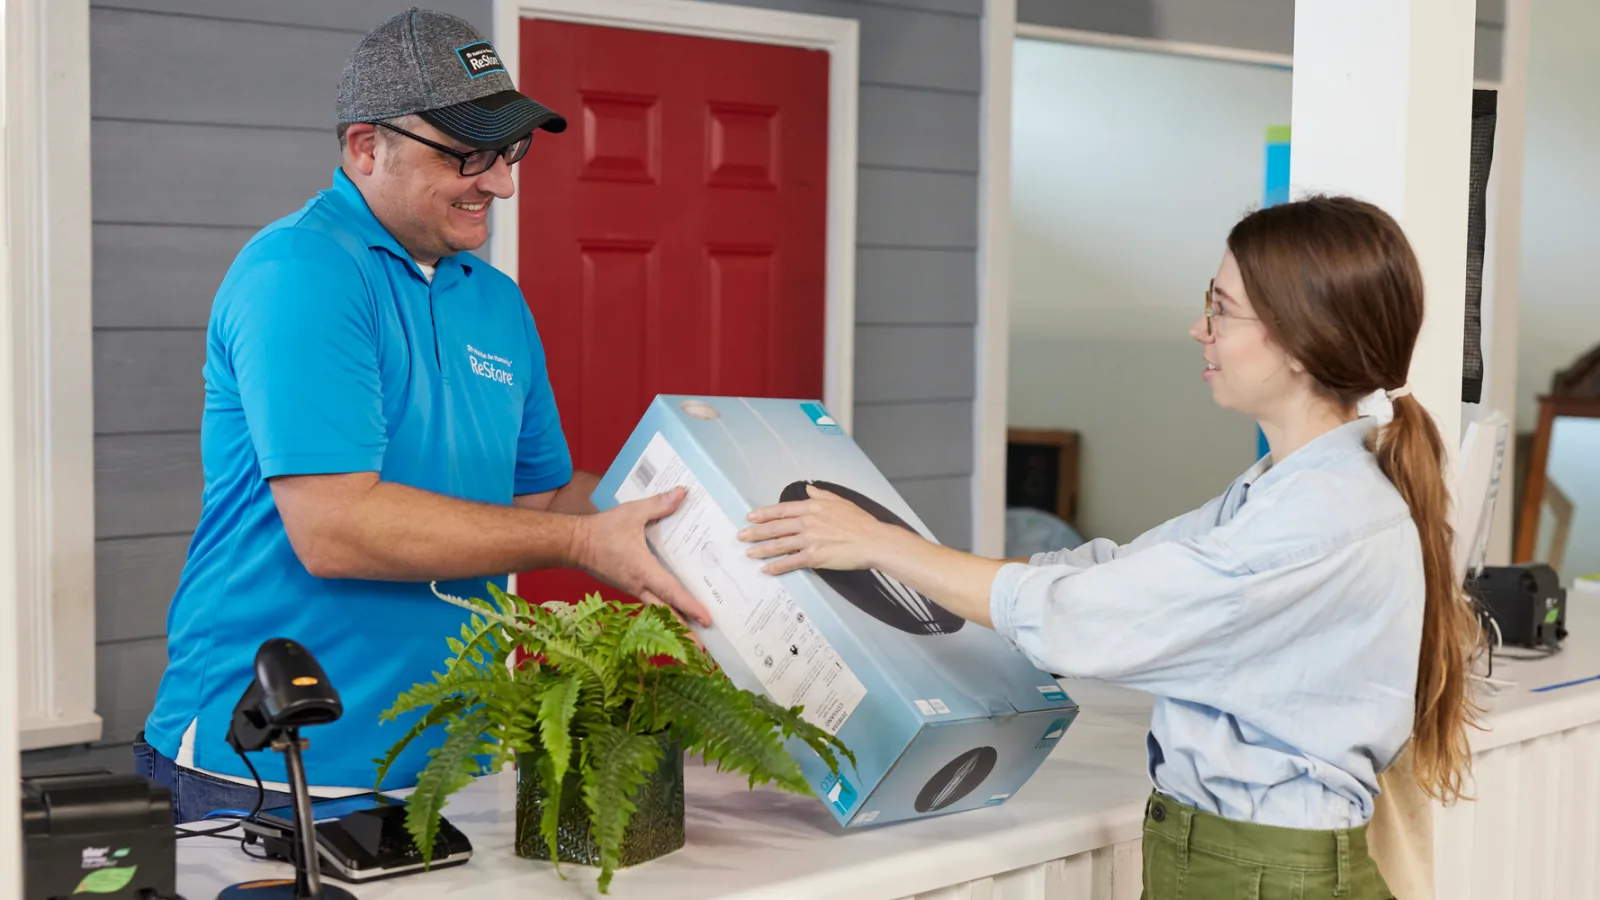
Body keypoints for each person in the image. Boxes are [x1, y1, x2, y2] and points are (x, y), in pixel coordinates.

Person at [739, 196, 1481, 899]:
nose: (1201, 329)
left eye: (1221, 309)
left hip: (1264, 873)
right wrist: (917, 565)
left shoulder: (1317, 521)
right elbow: (1109, 569)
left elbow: (1090, 614)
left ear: (1298, 341)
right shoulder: (1285, 490)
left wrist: (880, 546)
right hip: (1234, 856)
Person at [136, 9, 707, 824]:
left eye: (511, 151)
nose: (502, 182)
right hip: (274, 765)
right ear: (366, 147)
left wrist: (702, 526)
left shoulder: (496, 301)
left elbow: (539, 497)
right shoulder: (300, 272)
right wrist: (585, 546)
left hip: (455, 763)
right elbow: (336, 528)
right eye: (468, 154)